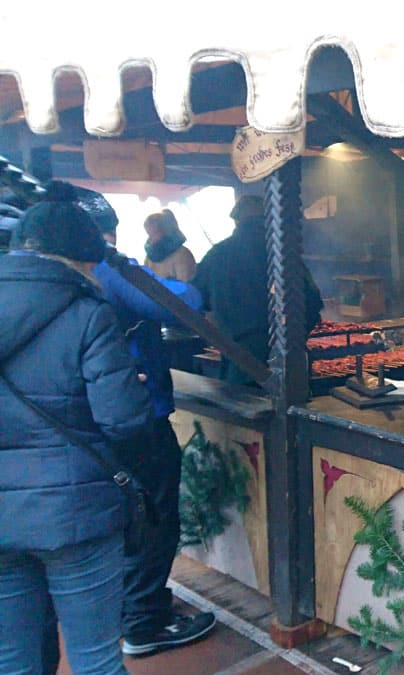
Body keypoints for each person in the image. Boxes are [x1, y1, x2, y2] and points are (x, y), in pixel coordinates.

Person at [0, 182, 152, 674]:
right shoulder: (87, 315)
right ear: (78, 259)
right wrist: (132, 385)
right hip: (75, 512)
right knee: (96, 661)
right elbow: (124, 421)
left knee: (13, 661)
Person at [79, 188, 217, 657]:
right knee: (151, 516)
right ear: (107, 234)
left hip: (90, 419)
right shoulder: (106, 270)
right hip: (135, 414)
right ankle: (145, 622)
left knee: (124, 518)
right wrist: (133, 269)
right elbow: (183, 300)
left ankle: (131, 607)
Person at [192, 194, 324, 386]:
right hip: (288, 358)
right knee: (291, 409)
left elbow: (195, 300)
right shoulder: (284, 252)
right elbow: (312, 302)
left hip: (239, 358)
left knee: (245, 408)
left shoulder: (217, 254)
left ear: (237, 221)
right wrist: (296, 337)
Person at [142, 209, 197, 282]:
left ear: (166, 231)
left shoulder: (181, 255)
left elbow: (185, 287)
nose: (152, 240)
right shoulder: (149, 259)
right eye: (149, 235)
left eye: (155, 233)